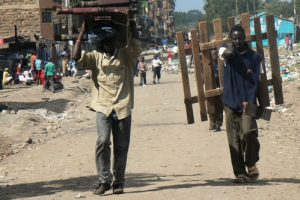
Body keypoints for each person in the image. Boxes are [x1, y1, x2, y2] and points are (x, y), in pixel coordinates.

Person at [73, 20, 143, 195]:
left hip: (122, 107)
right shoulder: (95, 57)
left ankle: (119, 182)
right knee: (103, 141)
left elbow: (137, 46)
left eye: (111, 41)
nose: (108, 45)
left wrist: (133, 29)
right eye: (105, 42)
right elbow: (76, 57)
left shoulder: (126, 56)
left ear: (115, 42)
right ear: (101, 44)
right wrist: (81, 34)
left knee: (121, 146)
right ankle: (104, 180)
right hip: (102, 107)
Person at [219, 25, 261, 183]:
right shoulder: (226, 54)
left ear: (245, 38)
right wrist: (228, 48)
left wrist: (263, 105)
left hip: (249, 102)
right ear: (230, 39)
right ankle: (240, 173)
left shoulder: (255, 57)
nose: (237, 41)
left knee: (249, 132)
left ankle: (251, 163)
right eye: (234, 38)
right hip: (230, 102)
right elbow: (223, 51)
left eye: (240, 38)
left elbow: (260, 81)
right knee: (234, 140)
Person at [208, 49, 223, 132]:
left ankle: (218, 124)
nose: (215, 56)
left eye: (217, 54)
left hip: (220, 88)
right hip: (211, 87)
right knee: (211, 105)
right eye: (214, 55)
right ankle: (212, 122)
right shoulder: (209, 64)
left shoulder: (221, 64)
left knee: (220, 106)